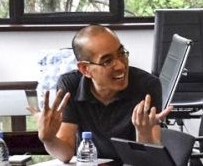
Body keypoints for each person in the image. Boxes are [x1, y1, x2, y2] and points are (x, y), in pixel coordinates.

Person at [28, 25, 173, 163]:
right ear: (85, 69)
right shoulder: (70, 85)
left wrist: (145, 134)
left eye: (122, 53)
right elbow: (66, 154)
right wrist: (48, 139)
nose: (121, 66)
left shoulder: (147, 85)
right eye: (107, 61)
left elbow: (151, 160)